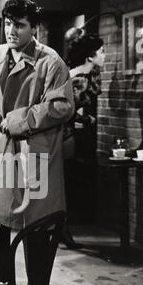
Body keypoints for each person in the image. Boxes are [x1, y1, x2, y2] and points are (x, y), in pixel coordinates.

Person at [0, 0, 74, 285]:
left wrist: (22, 119)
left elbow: (62, 105)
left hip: (34, 153)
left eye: (19, 25)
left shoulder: (51, 62)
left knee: (36, 223)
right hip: (3, 149)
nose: (11, 31)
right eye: (8, 23)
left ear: (34, 28)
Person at [61, 28, 106, 249]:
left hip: (65, 135)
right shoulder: (80, 78)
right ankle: (62, 229)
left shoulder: (79, 74)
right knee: (65, 183)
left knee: (65, 183)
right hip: (63, 137)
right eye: (101, 51)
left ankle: (62, 229)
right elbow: (68, 110)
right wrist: (87, 120)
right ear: (90, 56)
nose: (104, 55)